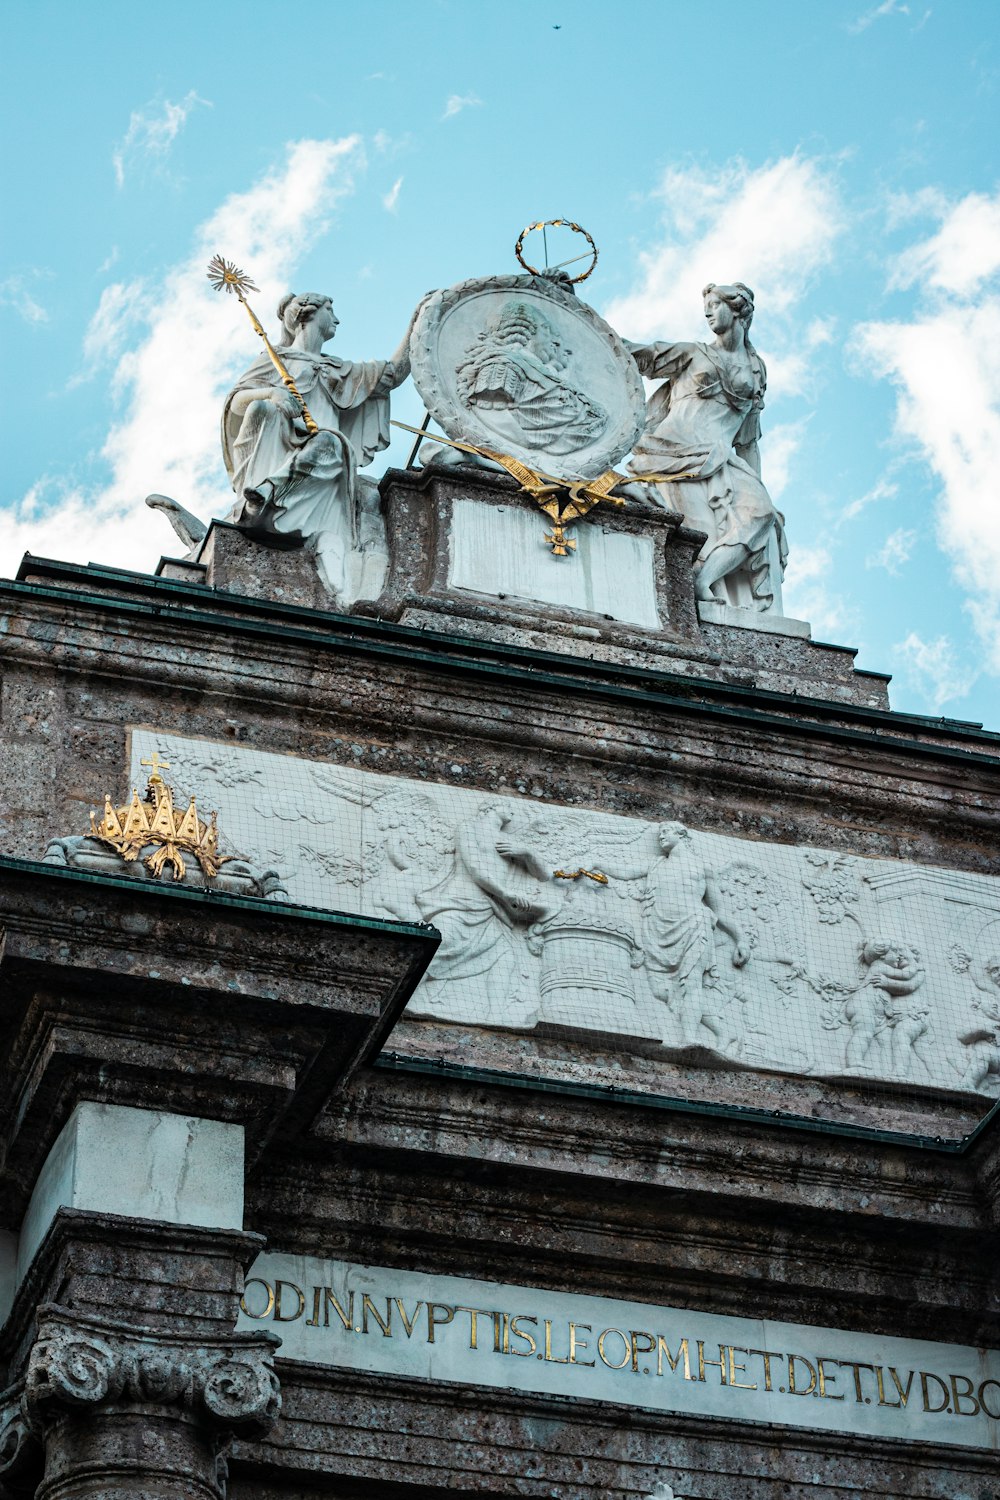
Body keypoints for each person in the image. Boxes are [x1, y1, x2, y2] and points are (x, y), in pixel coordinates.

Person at [221, 292, 417, 596]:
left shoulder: (339, 369)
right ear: (307, 313)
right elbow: (236, 403)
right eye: (330, 309)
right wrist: (270, 395)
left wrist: (418, 322)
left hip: (326, 462)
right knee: (262, 409)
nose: (336, 318)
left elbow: (393, 374)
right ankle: (263, 493)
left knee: (329, 442)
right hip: (279, 447)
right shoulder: (277, 359)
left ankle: (271, 492)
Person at [626, 282, 787, 613]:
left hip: (720, 457)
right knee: (693, 534)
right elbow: (639, 355)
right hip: (674, 453)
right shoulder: (693, 353)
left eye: (715, 305)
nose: (708, 312)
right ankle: (697, 587)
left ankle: (704, 579)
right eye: (707, 306)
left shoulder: (756, 371)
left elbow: (748, 440)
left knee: (763, 513)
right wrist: (578, 313)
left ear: (737, 309)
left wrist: (758, 484)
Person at [642, 821, 749, 1049]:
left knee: (692, 984)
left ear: (681, 834)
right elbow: (627, 872)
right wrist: (596, 864)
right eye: (659, 833)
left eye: (666, 832)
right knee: (661, 990)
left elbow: (720, 911)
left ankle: (690, 1037)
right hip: (659, 932)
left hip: (694, 927)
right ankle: (723, 1032)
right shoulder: (656, 864)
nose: (661, 837)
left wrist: (741, 938)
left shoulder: (701, 867)